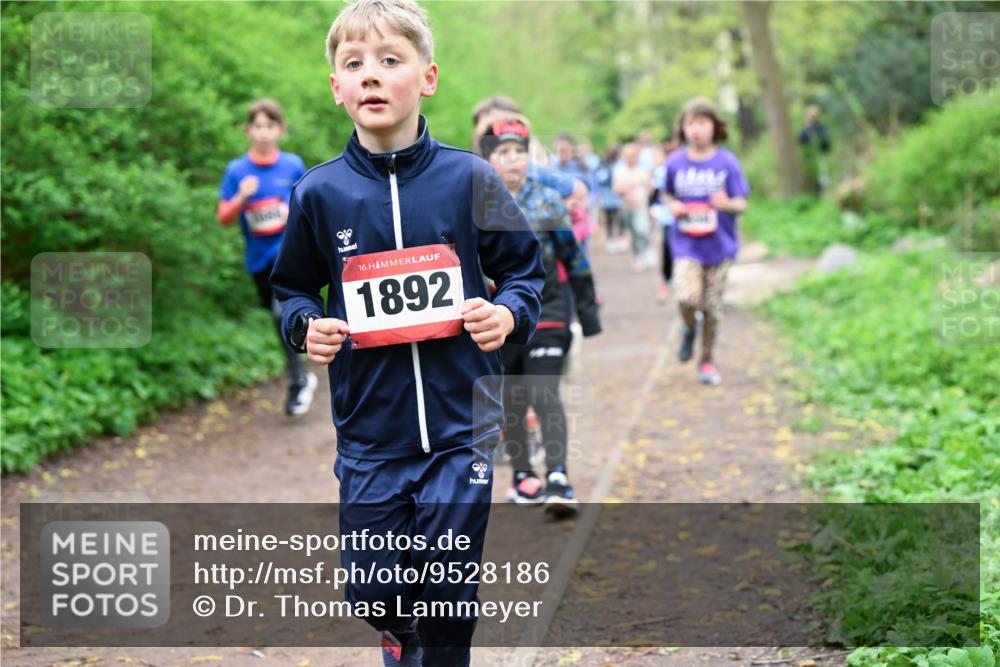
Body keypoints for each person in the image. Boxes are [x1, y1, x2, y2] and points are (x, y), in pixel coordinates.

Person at [269, 2, 545, 664]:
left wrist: (506, 313)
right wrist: (307, 327)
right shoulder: (319, 194)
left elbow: (524, 274)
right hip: (371, 435)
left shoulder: (470, 179)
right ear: (336, 87)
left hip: (461, 429)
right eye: (354, 63)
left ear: (427, 77)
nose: (370, 75)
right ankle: (402, 633)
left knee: (447, 595)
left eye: (390, 60)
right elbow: (292, 289)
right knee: (372, 591)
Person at [478, 115, 601, 518]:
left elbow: (573, 258)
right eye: (504, 153)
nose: (513, 160)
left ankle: (559, 477)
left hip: (548, 310)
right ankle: (522, 475)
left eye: (520, 152)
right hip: (498, 319)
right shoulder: (476, 206)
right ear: (488, 160)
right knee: (512, 398)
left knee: (543, 391)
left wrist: (586, 311)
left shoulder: (548, 201)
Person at [216, 98, 316, 416]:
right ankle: (302, 371)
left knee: (280, 313)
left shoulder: (292, 165)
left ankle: (298, 382)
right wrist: (242, 197)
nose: (263, 132)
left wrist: (293, 213)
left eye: (269, 126)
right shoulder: (236, 171)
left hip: (289, 255)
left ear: (280, 130)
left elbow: (309, 208)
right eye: (257, 126)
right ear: (248, 131)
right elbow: (224, 218)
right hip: (258, 260)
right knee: (278, 321)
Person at [663, 97, 750, 386]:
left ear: (714, 126)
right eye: (690, 124)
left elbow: (742, 203)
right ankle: (689, 328)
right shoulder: (675, 162)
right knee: (687, 297)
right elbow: (666, 193)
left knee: (712, 307)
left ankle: (707, 359)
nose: (696, 129)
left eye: (702, 123)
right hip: (687, 245)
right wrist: (673, 205)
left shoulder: (727, 162)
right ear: (683, 128)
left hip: (720, 245)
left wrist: (726, 204)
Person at [613, 142, 654, 272]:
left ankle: (644, 253)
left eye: (632, 156)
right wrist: (625, 188)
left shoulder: (643, 171)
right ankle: (637, 256)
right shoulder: (620, 171)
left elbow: (650, 189)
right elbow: (616, 188)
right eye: (627, 156)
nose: (630, 158)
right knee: (633, 233)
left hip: (640, 206)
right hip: (626, 207)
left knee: (641, 230)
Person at [595, 144, 626, 253]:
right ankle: (612, 240)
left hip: (612, 196)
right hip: (609, 196)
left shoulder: (616, 166)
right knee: (612, 219)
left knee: (615, 219)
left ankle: (615, 239)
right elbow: (601, 179)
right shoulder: (605, 166)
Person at [798, 105, 831, 194]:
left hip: (819, 156)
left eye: (814, 116)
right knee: (811, 179)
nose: (812, 118)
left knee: (822, 178)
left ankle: (822, 194)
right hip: (809, 158)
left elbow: (826, 142)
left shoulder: (821, 127)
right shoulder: (805, 128)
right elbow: (800, 141)